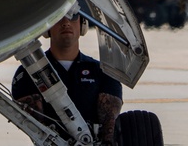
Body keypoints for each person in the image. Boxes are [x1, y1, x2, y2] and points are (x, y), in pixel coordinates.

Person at [12, 15, 123, 146]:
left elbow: (109, 125)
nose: (66, 23)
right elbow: (35, 126)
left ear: (82, 25)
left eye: (73, 16)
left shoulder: (103, 72)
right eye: (58, 18)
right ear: (47, 27)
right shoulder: (27, 73)